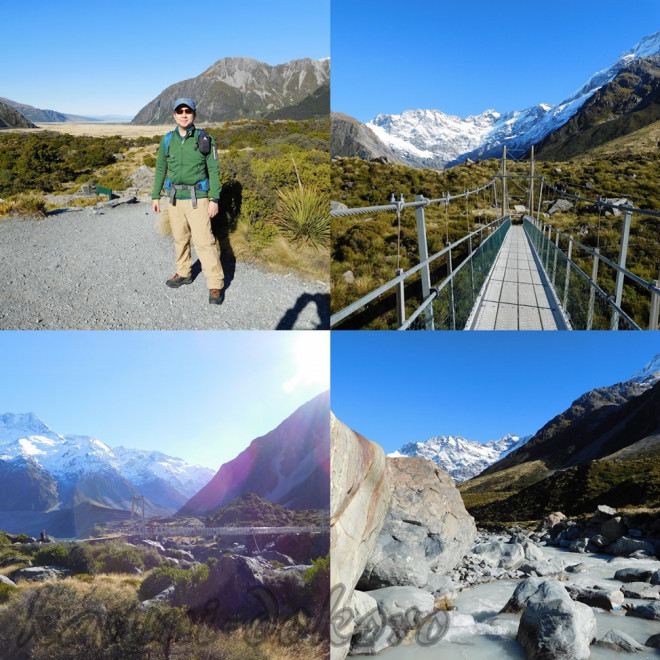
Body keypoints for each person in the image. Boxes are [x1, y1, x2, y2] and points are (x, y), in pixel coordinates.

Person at [152, 98, 225, 304]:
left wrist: (214, 199)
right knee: (180, 238)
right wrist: (156, 195)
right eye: (179, 111)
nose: (184, 114)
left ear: (194, 114)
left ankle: (215, 284)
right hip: (174, 199)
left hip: (198, 199)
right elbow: (160, 169)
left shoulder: (205, 139)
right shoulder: (167, 140)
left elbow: (213, 170)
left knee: (204, 242)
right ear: (174, 115)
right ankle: (184, 273)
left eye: (188, 111)